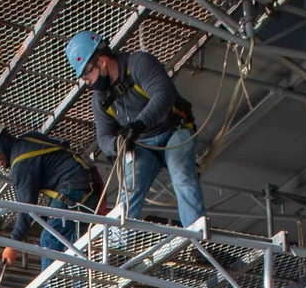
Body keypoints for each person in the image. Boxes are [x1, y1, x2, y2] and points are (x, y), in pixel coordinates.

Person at [64, 31, 206, 230]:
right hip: (142, 144)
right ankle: (119, 247)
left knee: (182, 174)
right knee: (130, 191)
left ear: (101, 61)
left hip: (174, 129)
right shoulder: (100, 99)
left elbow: (163, 95)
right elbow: (104, 137)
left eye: (87, 74)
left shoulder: (139, 63)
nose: (87, 82)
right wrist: (118, 144)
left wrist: (138, 125)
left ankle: (197, 235)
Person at [0, 120, 101, 266]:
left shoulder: (20, 164)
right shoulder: (29, 140)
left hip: (73, 190)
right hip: (88, 189)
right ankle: (78, 286)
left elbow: (27, 209)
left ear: (1, 144)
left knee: (49, 240)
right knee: (73, 245)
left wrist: (13, 244)